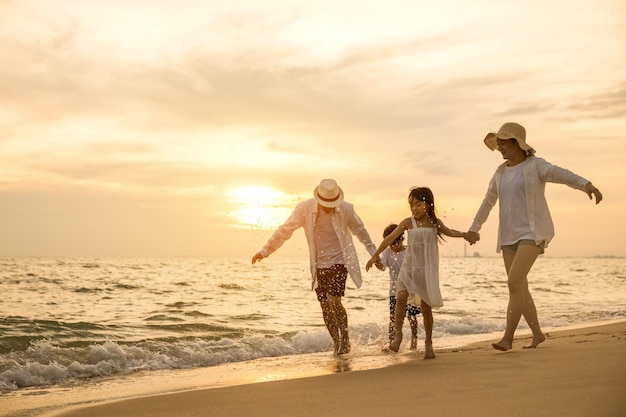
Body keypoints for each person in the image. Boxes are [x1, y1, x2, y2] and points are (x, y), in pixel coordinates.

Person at [464, 122, 603, 351]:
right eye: (497, 143)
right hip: (508, 235)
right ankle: (537, 334)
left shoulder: (536, 166)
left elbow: (563, 175)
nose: (499, 147)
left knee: (514, 282)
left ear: (517, 143)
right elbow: (487, 202)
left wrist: (587, 185)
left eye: (503, 142)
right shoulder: (499, 173)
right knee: (521, 288)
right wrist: (474, 227)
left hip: (531, 233)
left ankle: (508, 338)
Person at [251, 179, 380, 355]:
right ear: (318, 199)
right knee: (325, 306)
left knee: (335, 300)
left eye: (332, 203)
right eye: (326, 203)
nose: (329, 207)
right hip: (318, 263)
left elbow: (361, 231)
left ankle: (346, 338)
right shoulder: (304, 209)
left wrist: (374, 253)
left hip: (340, 260)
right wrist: (265, 250)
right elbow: (285, 230)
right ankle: (337, 343)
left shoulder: (347, 209)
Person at [366, 186, 468, 358]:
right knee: (400, 298)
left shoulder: (434, 224)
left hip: (426, 271)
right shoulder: (408, 222)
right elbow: (389, 238)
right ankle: (398, 334)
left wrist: (466, 234)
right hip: (409, 268)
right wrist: (374, 255)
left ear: (427, 204)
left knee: (426, 309)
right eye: (411, 205)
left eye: (418, 204)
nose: (414, 208)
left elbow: (450, 232)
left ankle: (428, 342)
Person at [377, 224, 420, 350]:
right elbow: (382, 267)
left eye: (396, 242)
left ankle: (414, 340)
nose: (394, 246)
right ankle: (392, 342)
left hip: (411, 290)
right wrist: (377, 262)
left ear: (402, 239)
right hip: (394, 291)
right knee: (393, 318)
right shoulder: (387, 251)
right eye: (390, 243)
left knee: (412, 316)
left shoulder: (409, 251)